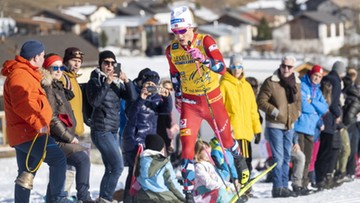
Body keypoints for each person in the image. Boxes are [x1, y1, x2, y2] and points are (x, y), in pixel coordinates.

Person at [166, 6, 248, 202]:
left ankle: (240, 166)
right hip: (190, 104)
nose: (179, 35)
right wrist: (177, 96)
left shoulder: (205, 41)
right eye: (175, 31)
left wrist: (204, 60)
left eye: (182, 30)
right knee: (187, 147)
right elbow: (175, 74)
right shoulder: (172, 50)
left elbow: (222, 68)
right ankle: (188, 194)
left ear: (191, 27)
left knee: (226, 141)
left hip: (212, 101)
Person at [2, 40, 70, 202]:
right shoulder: (20, 76)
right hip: (30, 133)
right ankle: (58, 199)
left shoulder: (26, 73)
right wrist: (40, 125)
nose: (43, 58)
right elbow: (23, 106)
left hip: (24, 132)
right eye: (42, 55)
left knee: (26, 173)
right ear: (35, 57)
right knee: (59, 160)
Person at [41, 54, 94, 202]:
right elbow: (51, 117)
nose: (59, 70)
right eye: (55, 67)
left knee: (58, 168)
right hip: (55, 139)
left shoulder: (58, 86)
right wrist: (69, 137)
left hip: (61, 137)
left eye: (61, 67)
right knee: (82, 159)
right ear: (47, 69)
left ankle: (52, 199)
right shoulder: (48, 87)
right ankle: (84, 196)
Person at [86, 50, 136, 202]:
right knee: (118, 166)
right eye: (106, 63)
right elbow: (94, 102)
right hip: (100, 130)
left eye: (112, 63)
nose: (109, 66)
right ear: (100, 64)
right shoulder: (94, 81)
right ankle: (106, 199)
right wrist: (106, 83)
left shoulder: (116, 83)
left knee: (110, 168)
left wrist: (126, 81)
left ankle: (103, 198)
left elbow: (132, 97)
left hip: (113, 130)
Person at [122, 70, 172, 203]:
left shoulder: (156, 98)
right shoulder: (134, 96)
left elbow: (166, 111)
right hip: (134, 138)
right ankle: (129, 199)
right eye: (147, 84)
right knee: (135, 172)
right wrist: (141, 98)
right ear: (142, 84)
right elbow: (130, 114)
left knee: (148, 172)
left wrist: (167, 97)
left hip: (150, 140)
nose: (150, 87)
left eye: (153, 85)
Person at [257, 56, 301, 198]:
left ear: (293, 68)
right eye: (284, 66)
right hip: (275, 124)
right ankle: (277, 188)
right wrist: (275, 112)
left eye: (289, 67)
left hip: (290, 125)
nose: (286, 69)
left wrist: (297, 113)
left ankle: (284, 186)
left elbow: (298, 101)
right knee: (279, 157)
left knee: (287, 157)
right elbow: (261, 101)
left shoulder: (297, 83)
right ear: (280, 66)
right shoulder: (271, 82)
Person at [219, 54, 262, 174]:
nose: (236, 69)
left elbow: (253, 110)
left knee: (247, 161)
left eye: (239, 66)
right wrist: (225, 128)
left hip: (246, 132)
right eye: (234, 66)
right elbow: (219, 109)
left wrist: (257, 129)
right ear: (230, 67)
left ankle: (247, 186)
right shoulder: (224, 84)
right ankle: (240, 185)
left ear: (242, 68)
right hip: (234, 131)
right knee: (238, 162)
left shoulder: (247, 86)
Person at [293, 65, 328, 193]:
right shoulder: (302, 85)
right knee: (299, 158)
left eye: (319, 77)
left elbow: (324, 108)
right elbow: (302, 105)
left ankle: (304, 183)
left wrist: (312, 101)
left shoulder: (317, 91)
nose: (317, 78)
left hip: (311, 128)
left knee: (308, 159)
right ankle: (297, 184)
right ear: (310, 74)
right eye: (315, 75)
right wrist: (315, 111)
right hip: (300, 126)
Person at [315, 61, 346, 190]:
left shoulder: (326, 78)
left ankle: (318, 178)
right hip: (329, 119)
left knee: (320, 150)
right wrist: (338, 114)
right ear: (341, 72)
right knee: (326, 151)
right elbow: (333, 103)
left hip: (320, 118)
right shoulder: (336, 81)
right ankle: (321, 180)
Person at [134, 133, 185, 203]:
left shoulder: (139, 160)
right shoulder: (163, 162)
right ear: (160, 147)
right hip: (162, 197)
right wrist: (185, 198)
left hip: (142, 196)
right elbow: (172, 184)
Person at [61, 47, 85, 138]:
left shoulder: (73, 78)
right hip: (67, 132)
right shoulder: (62, 77)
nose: (76, 64)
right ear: (66, 61)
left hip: (75, 132)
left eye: (79, 61)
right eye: (74, 60)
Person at [157, 79, 180, 154]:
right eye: (166, 88)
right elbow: (165, 110)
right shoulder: (159, 99)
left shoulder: (171, 99)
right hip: (161, 128)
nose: (169, 91)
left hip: (169, 131)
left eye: (171, 89)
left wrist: (174, 126)